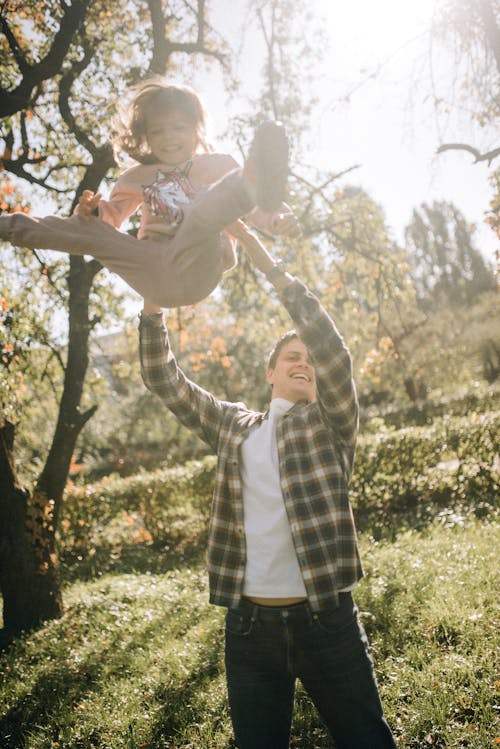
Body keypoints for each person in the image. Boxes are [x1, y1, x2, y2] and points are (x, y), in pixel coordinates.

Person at [139, 226, 397, 749]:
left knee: (367, 740)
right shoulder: (235, 426)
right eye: (290, 358)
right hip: (248, 630)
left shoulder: (331, 423)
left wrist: (269, 266)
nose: (304, 362)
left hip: (327, 623)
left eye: (309, 359)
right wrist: (153, 297)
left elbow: (334, 353)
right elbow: (165, 379)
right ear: (270, 373)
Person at [0, 80, 297, 308]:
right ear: (145, 138)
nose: (168, 138)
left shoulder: (217, 165)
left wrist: (276, 219)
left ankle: (252, 184)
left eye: (178, 128)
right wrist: (93, 213)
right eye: (158, 131)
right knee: (88, 232)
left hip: (198, 264)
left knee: (204, 209)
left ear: (196, 129)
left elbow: (257, 213)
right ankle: (7, 227)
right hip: (152, 268)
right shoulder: (134, 178)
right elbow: (111, 220)